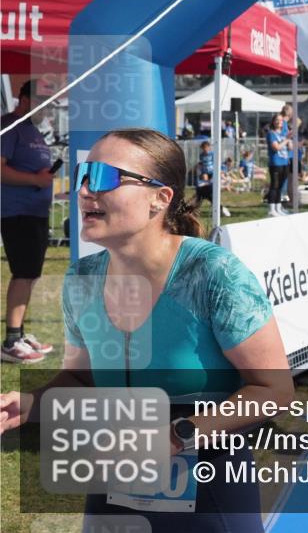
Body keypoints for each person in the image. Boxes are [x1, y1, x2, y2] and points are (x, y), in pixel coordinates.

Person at [0, 128, 293, 532]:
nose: (85, 190)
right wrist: (32, 404)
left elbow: (275, 391)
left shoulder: (212, 273)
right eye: (84, 175)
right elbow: (82, 378)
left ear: (160, 197)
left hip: (209, 490)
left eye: (104, 177)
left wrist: (177, 436)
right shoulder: (82, 277)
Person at [1, 80, 55, 363]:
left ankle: (19, 333)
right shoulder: (9, 126)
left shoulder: (33, 130)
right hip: (17, 212)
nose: (45, 109)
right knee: (23, 273)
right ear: (22, 99)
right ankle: (11, 341)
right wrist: (35, 179)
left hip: (36, 212)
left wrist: (42, 176)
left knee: (30, 274)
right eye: (41, 102)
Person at [266, 114, 291, 217]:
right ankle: (271, 209)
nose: (279, 122)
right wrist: (286, 140)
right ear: (273, 121)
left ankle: (278, 208)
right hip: (276, 163)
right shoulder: (271, 134)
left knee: (280, 187)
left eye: (281, 120)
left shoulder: (283, 134)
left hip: (285, 163)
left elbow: (290, 147)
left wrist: (289, 139)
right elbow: (276, 147)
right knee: (274, 186)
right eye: (277, 120)